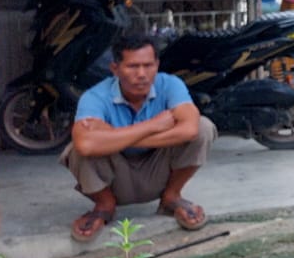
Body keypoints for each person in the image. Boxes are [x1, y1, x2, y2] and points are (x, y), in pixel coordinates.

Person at [63, 32, 217, 243]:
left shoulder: (170, 85)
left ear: (157, 64)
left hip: (158, 169)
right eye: (133, 67)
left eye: (148, 65)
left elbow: (190, 129)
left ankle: (171, 197)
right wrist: (152, 126)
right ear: (115, 69)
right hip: (115, 175)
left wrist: (112, 136)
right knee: (76, 150)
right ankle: (104, 206)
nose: (142, 74)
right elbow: (85, 144)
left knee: (203, 128)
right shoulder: (95, 96)